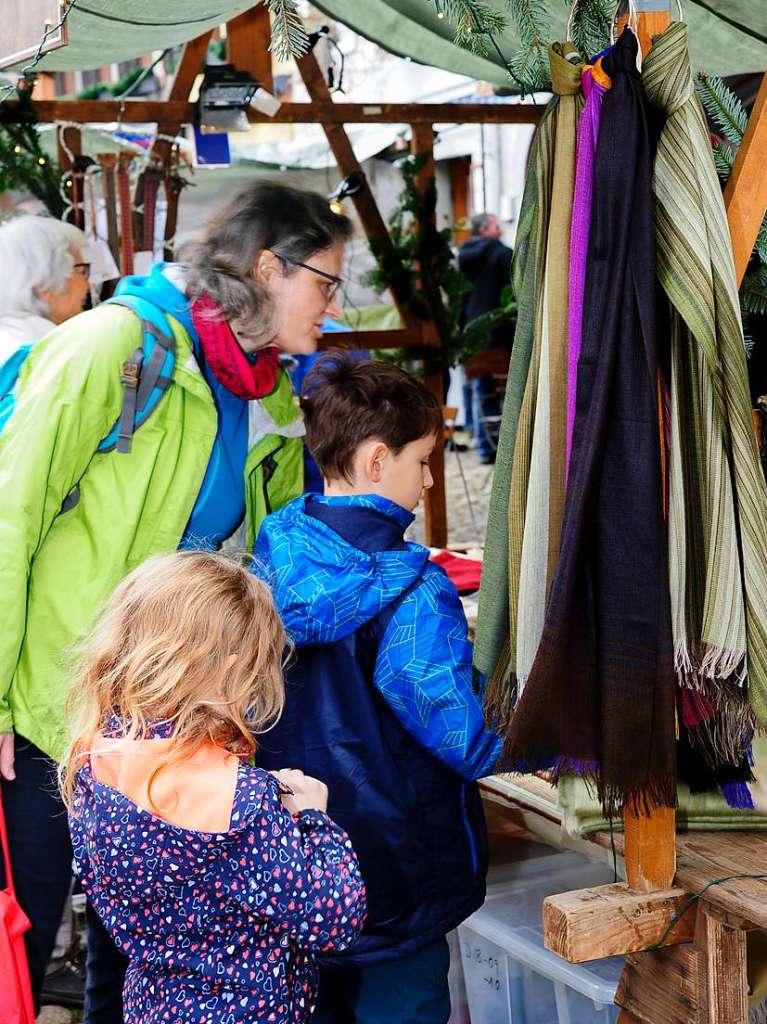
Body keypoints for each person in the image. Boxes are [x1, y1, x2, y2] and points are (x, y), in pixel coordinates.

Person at [0, 180, 352, 1022]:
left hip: (178, 720)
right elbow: (7, 516)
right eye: (327, 284)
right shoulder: (112, 346)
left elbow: (262, 548)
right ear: (269, 267)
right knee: (33, 928)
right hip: (57, 714)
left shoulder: (262, 382)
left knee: (140, 949)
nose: (334, 309)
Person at [255, 354, 503, 1024]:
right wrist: (550, 732)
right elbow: (464, 741)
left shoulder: (269, 549)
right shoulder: (412, 589)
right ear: (374, 461)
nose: (427, 481)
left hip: (294, 858)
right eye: (422, 461)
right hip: (398, 868)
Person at [61, 550, 366, 1024]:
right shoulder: (242, 802)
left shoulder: (93, 757)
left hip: (152, 1004)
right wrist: (313, 819)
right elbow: (335, 920)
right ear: (228, 668)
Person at [457, 212, 514, 464]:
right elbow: (514, 293)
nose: (499, 228)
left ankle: (485, 448)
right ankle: (502, 451)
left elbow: (460, 296)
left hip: (472, 332)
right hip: (499, 331)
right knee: (506, 392)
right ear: (484, 229)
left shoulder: (463, 258)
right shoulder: (502, 255)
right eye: (495, 224)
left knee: (481, 390)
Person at [0, 215, 90, 366]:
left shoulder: (11, 339)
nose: (88, 285)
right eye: (81, 271)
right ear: (44, 285)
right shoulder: (50, 354)